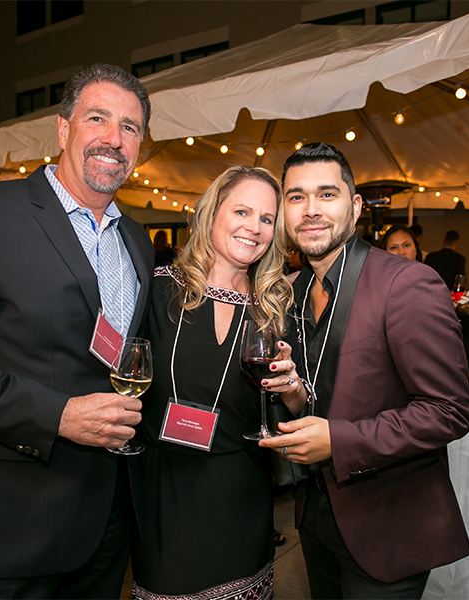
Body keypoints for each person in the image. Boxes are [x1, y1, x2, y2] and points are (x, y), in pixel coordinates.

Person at [0, 63, 154, 599]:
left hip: (106, 526)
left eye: (130, 128)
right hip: (12, 530)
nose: (114, 139)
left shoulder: (137, 239)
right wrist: (57, 416)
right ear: (63, 129)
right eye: (98, 119)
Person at [259, 143, 469, 599]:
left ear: (355, 207)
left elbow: (450, 411)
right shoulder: (294, 290)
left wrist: (338, 441)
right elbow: (326, 393)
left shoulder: (407, 283)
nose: (311, 210)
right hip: (315, 514)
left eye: (327, 194)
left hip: (387, 524)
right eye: (296, 197)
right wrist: (296, 394)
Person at [128, 166, 306, 600]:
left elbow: (298, 411)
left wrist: (293, 389)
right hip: (163, 492)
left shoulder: (277, 308)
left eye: (267, 218)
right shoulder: (154, 288)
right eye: (242, 210)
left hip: (241, 492)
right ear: (212, 213)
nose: (254, 227)